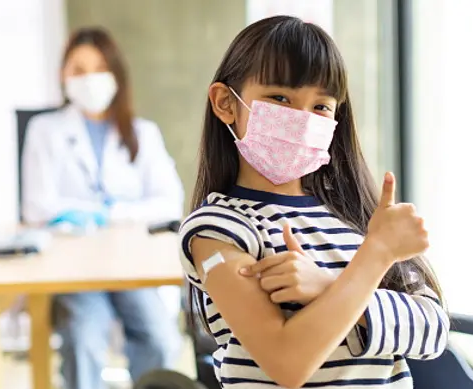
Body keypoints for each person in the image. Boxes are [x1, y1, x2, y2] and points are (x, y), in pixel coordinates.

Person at [179, 16, 449, 389]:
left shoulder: (357, 215)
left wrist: (325, 286)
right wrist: (375, 256)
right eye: (280, 98)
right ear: (226, 103)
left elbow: (433, 332)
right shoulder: (217, 229)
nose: (302, 119)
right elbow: (288, 363)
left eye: (321, 107)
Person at [21, 27, 183, 389]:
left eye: (99, 68)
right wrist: (119, 210)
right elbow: (37, 207)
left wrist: (107, 214)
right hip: (74, 268)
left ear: (116, 74)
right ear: (63, 76)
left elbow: (167, 201)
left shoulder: (143, 133)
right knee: (83, 338)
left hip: (131, 263)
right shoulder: (44, 130)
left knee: (160, 338)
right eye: (78, 69)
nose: (89, 79)